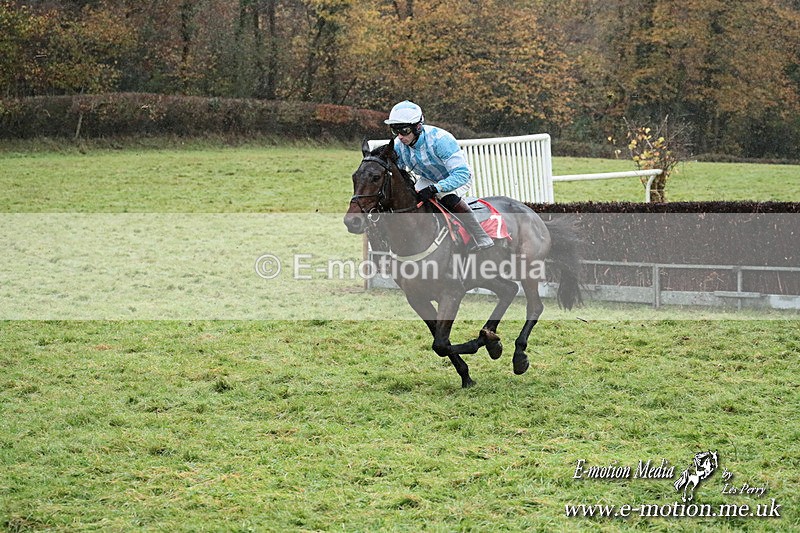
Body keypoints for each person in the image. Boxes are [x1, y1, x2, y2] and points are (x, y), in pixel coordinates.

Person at [385, 100, 494, 252]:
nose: (400, 136)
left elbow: (462, 174)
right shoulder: (399, 145)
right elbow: (399, 173)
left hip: (456, 177)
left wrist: (435, 188)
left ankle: (481, 235)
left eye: (404, 130)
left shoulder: (441, 140)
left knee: (445, 196)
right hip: (428, 179)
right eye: (395, 131)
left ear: (418, 127)